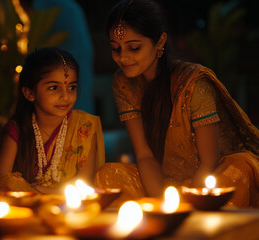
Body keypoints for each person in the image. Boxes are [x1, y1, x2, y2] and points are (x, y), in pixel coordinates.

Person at [95, 0, 259, 208]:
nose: (123, 57)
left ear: (160, 41)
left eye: (134, 48)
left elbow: (209, 161)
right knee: (109, 174)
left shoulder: (193, 83)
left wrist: (191, 204)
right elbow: (144, 155)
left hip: (210, 181)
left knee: (242, 168)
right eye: (115, 49)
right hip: (164, 183)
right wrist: (162, 206)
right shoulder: (123, 82)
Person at [0, 47, 105, 194]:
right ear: (30, 93)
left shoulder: (84, 127)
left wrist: (43, 192)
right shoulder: (17, 131)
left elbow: (85, 187)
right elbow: (1, 185)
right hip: (27, 210)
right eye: (54, 88)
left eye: (71, 87)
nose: (65, 96)